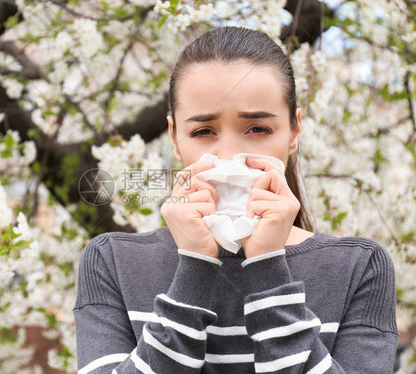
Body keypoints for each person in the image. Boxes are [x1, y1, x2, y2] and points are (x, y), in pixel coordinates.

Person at [73, 26, 398, 373]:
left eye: (257, 129)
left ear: (295, 131)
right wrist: (194, 269)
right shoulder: (111, 261)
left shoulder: (359, 268)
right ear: (173, 136)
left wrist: (268, 269)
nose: (229, 155)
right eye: (202, 132)